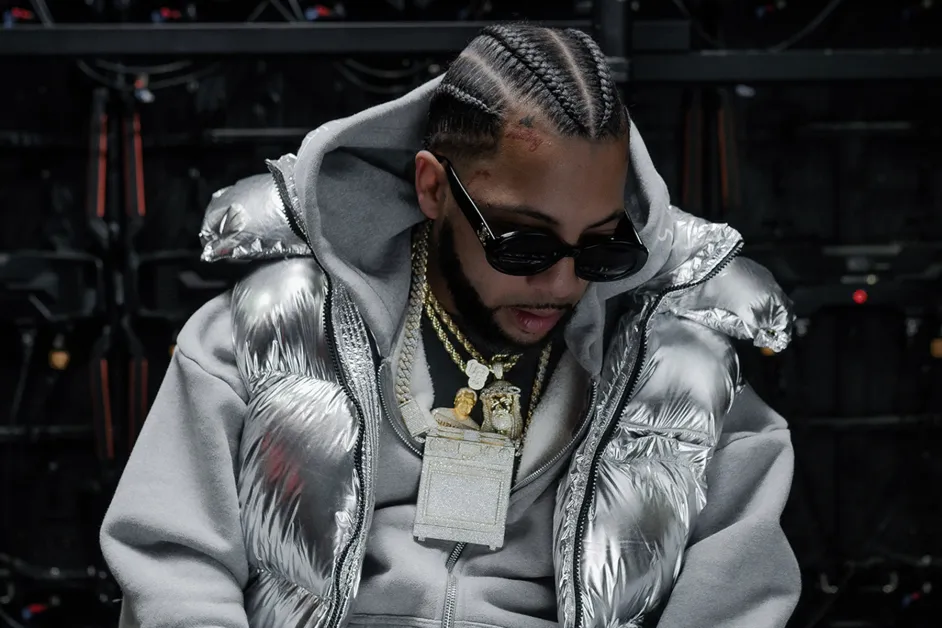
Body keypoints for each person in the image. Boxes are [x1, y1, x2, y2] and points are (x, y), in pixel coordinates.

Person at [100, 23, 800, 628]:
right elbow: (175, 564)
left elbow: (737, 599)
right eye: (523, 244)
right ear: (434, 187)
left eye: (601, 248)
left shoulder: (682, 366)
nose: (563, 283)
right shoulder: (274, 328)